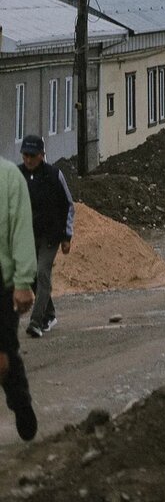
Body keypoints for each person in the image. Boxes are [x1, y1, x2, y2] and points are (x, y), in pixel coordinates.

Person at [16, 136, 73, 338]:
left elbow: (68, 204)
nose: (28, 160)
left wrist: (67, 236)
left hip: (51, 236)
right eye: (25, 155)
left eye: (32, 156)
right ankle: (49, 314)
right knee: (31, 275)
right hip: (27, 236)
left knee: (42, 273)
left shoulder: (54, 175)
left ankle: (36, 321)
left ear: (41, 156)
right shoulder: (17, 175)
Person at [0, 157, 38, 441]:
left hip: (2, 283)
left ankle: (20, 403)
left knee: (3, 357)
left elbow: (22, 230)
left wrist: (24, 281)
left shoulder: (10, 177)